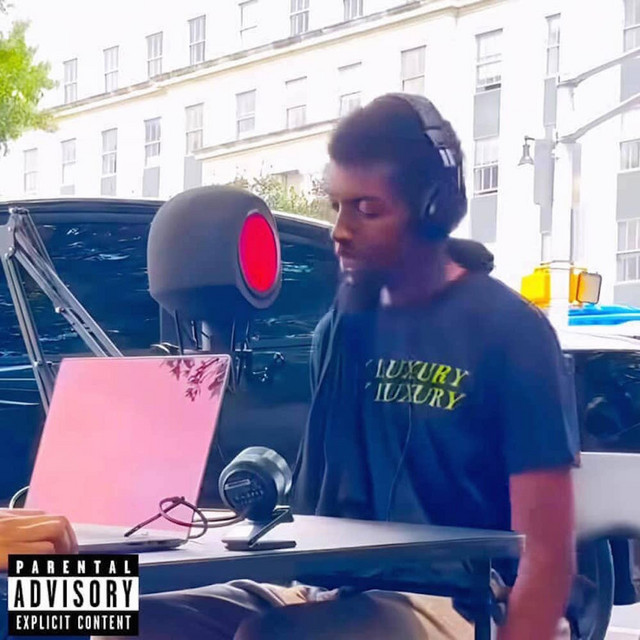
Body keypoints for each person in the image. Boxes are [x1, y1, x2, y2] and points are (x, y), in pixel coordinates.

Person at [2, 93, 578, 640]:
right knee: (73, 612)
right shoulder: (344, 329)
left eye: (367, 209)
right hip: (323, 588)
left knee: (274, 636)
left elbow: (549, 548)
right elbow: (316, 515)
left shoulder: (512, 332)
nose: (341, 231)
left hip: (458, 600)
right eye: (338, 207)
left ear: (434, 209)